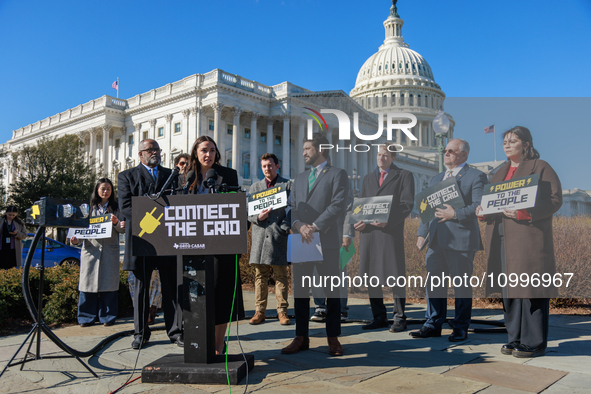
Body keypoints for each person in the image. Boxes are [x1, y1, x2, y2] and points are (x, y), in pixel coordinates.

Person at [477, 126, 562, 358]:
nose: (506, 144)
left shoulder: (541, 167)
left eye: (512, 141)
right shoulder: (499, 172)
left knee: (530, 290)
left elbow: (554, 200)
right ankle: (514, 338)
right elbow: (492, 204)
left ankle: (534, 342)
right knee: (510, 291)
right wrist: (483, 212)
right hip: (502, 238)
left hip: (527, 239)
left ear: (526, 144)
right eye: (505, 141)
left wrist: (525, 213)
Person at [410, 138, 488, 342]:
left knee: (461, 286)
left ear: (464, 155)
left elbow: (480, 205)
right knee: (434, 284)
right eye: (445, 151)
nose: (446, 154)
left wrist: (455, 214)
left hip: (461, 239)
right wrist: (421, 233)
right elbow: (427, 209)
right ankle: (432, 323)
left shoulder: (476, 176)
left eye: (451, 151)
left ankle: (461, 326)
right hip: (436, 240)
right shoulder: (436, 179)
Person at [282, 133, 348, 357]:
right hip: (302, 239)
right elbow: (291, 206)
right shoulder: (299, 178)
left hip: (326, 241)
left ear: (322, 150)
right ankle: (301, 337)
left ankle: (333, 338)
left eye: (308, 149)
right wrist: (299, 225)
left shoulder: (338, 174)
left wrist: (316, 226)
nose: (303, 153)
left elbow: (338, 204)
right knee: (300, 292)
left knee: (332, 292)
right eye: (303, 149)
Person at [118, 139, 183, 349]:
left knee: (171, 289)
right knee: (141, 290)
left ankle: (175, 332)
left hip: (166, 240)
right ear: (140, 154)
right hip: (141, 240)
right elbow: (125, 207)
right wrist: (151, 219)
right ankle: (140, 333)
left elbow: (178, 203)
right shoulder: (126, 176)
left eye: (157, 149)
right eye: (150, 150)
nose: (154, 152)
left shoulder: (171, 175)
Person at [185, 135, 245, 355]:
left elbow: (234, 206)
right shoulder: (186, 177)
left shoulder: (227, 174)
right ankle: (200, 342)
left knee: (221, 295)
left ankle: (219, 345)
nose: (207, 154)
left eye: (211, 150)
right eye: (203, 150)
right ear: (196, 153)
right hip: (192, 246)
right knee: (197, 297)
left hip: (221, 246)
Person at [354, 143, 414, 332]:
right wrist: (357, 222)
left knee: (395, 275)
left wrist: (388, 220)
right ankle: (378, 316)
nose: (381, 158)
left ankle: (399, 317)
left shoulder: (404, 175)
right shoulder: (368, 178)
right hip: (369, 234)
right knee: (373, 276)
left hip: (389, 232)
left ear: (393, 157)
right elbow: (361, 204)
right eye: (379, 154)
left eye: (385, 155)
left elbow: (407, 204)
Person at [70, 178, 124, 327]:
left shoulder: (116, 208)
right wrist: (75, 241)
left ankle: (107, 317)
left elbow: (123, 229)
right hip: (91, 251)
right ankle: (85, 318)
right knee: (87, 285)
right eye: (103, 188)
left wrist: (116, 223)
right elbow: (80, 229)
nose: (105, 191)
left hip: (109, 252)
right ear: (97, 190)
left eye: (108, 188)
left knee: (109, 286)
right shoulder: (87, 208)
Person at [247, 153, 291, 326]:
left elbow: (292, 209)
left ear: (277, 166)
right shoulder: (255, 187)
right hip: (260, 237)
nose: (267, 169)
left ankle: (282, 311)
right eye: (264, 166)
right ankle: (260, 312)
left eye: (270, 165)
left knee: (281, 276)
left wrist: (284, 228)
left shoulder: (287, 185)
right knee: (260, 276)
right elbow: (249, 214)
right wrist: (258, 217)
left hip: (278, 236)